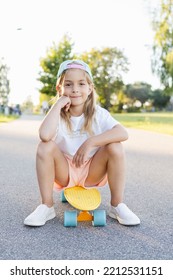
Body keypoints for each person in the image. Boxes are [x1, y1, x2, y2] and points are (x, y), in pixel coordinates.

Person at [24, 59, 140, 227]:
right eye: (68, 85)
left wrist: (91, 142)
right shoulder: (58, 114)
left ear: (90, 88)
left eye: (81, 84)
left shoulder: (98, 113)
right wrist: (58, 104)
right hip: (65, 172)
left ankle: (117, 205)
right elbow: (44, 135)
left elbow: (123, 133)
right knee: (44, 146)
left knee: (115, 146)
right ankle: (46, 206)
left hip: (92, 170)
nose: (75, 89)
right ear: (60, 88)